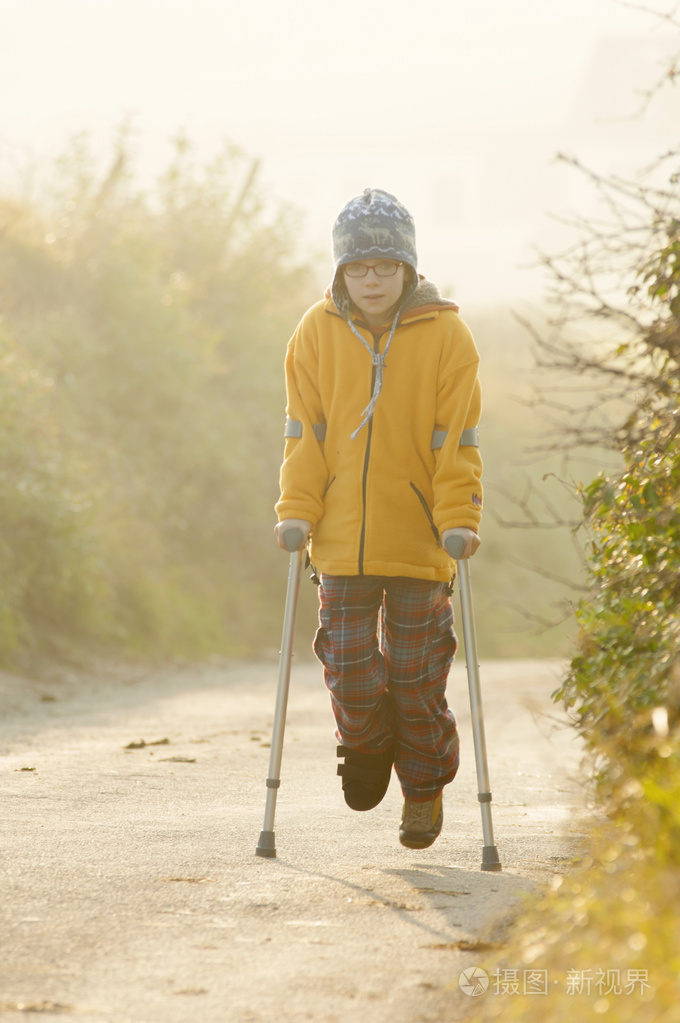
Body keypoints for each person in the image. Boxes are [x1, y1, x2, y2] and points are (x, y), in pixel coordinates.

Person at [274, 188, 482, 849]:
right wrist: (297, 511)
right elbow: (303, 435)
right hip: (338, 540)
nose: (371, 279)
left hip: (422, 539)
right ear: (340, 271)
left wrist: (459, 517)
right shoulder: (315, 331)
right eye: (359, 268)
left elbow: (457, 440)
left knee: (417, 677)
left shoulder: (448, 334)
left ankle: (422, 790)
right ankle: (365, 743)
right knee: (346, 661)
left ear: (409, 269)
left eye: (385, 267)